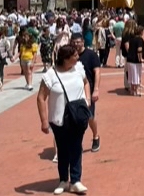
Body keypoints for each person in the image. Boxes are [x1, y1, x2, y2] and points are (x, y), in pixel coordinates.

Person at [37, 45, 90, 195]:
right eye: (74, 55)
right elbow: (41, 98)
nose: (78, 57)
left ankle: (76, 180)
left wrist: (87, 100)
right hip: (59, 119)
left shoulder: (78, 68)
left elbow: (86, 82)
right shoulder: (50, 75)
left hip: (78, 116)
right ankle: (63, 180)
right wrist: (44, 121)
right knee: (63, 149)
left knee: (76, 147)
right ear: (66, 58)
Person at [70, 33, 102, 152]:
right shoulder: (70, 55)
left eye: (78, 42)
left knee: (89, 116)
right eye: (74, 42)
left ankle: (95, 136)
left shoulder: (91, 55)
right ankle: (76, 142)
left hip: (88, 90)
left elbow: (97, 72)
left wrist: (96, 90)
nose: (76, 44)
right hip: (73, 90)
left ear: (83, 42)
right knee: (74, 117)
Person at [125, 26, 144, 97]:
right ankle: (136, 91)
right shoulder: (140, 39)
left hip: (129, 59)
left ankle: (132, 89)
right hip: (135, 60)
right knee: (136, 75)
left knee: (131, 75)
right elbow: (139, 50)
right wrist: (141, 59)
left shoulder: (132, 39)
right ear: (141, 32)